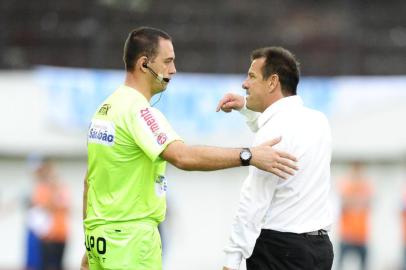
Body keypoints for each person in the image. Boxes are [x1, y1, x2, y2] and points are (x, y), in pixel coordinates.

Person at [80, 27, 298, 270]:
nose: (173, 70)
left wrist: (88, 247)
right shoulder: (139, 112)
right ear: (144, 64)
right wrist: (249, 155)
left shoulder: (105, 109)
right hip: (130, 242)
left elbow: (90, 181)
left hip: (98, 238)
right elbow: (183, 157)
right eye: (168, 61)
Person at [216, 46, 334, 270]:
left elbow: (253, 200)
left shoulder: (274, 130)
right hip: (320, 251)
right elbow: (274, 125)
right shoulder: (319, 121)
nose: (244, 84)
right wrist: (245, 108)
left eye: (251, 76)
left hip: (279, 251)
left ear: (272, 82)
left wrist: (232, 260)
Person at [336, 161, 373, 270]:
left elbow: (369, 201)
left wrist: (354, 200)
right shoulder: (346, 184)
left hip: (362, 235)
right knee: (341, 265)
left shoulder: (366, 186)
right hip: (347, 235)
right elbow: (343, 202)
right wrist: (358, 200)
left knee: (364, 265)